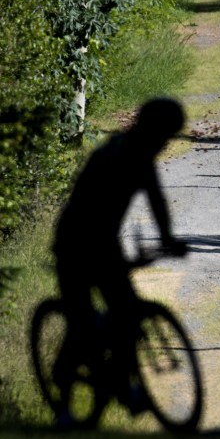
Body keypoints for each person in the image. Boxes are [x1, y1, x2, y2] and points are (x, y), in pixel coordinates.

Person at [51, 97, 189, 422]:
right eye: (165, 135)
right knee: (83, 322)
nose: (166, 142)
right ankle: (64, 403)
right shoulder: (116, 155)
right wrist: (122, 257)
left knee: (126, 315)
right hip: (74, 243)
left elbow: (157, 203)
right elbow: (91, 212)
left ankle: (124, 387)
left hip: (103, 244)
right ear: (151, 130)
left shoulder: (141, 156)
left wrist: (167, 239)